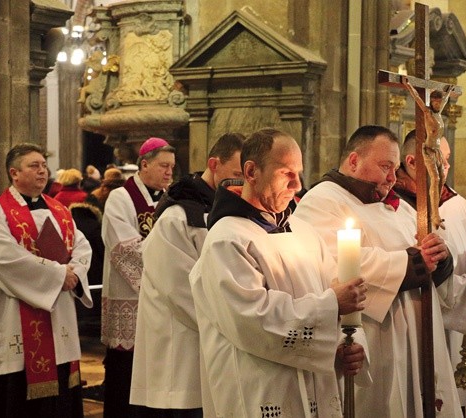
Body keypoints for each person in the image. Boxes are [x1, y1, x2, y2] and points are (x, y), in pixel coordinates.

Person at [189, 128, 369, 417]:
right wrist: (331, 304)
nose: (298, 184)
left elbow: (341, 295)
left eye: (299, 172)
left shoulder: (304, 231)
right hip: (261, 388)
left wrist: (349, 345)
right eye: (286, 172)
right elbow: (252, 320)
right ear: (251, 172)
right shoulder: (227, 239)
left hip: (316, 385)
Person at [294, 125, 463, 418]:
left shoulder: (398, 207)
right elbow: (335, 264)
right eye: (385, 166)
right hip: (375, 337)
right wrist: (414, 262)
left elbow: (432, 249)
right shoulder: (322, 200)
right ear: (354, 160)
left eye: (395, 169)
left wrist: (442, 256)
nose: (392, 178)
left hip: (420, 336)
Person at [0, 143, 93, 418]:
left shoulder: (61, 211)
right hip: (12, 317)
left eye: (43, 165)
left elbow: (82, 247)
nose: (42, 171)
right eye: (33, 166)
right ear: (14, 173)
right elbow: (7, 259)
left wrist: (74, 273)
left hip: (58, 313)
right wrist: (60, 274)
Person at [130, 132, 245, 417]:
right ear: (214, 164)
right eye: (236, 174)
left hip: (216, 338)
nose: (241, 184)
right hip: (181, 344)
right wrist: (235, 321)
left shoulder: (225, 209)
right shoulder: (179, 215)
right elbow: (177, 288)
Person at [394, 130, 466, 415]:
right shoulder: (395, 205)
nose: (447, 167)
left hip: (459, 317)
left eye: (448, 159)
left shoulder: (456, 203)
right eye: (441, 159)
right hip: (421, 316)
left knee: (455, 402)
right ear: (412, 161)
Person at [101, 137, 175, 418]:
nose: (169, 172)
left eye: (172, 167)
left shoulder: (173, 199)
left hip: (161, 301)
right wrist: (167, 268)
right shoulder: (121, 197)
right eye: (163, 166)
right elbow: (123, 248)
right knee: (125, 374)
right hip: (131, 298)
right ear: (144, 164)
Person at [402, 77, 454, 230]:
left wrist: (449, 91)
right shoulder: (428, 113)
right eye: (436, 102)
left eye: (448, 158)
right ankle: (434, 214)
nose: (438, 104)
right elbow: (418, 99)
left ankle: (435, 209)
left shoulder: (438, 113)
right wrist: (409, 85)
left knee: (441, 178)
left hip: (436, 150)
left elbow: (444, 101)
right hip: (429, 150)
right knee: (436, 178)